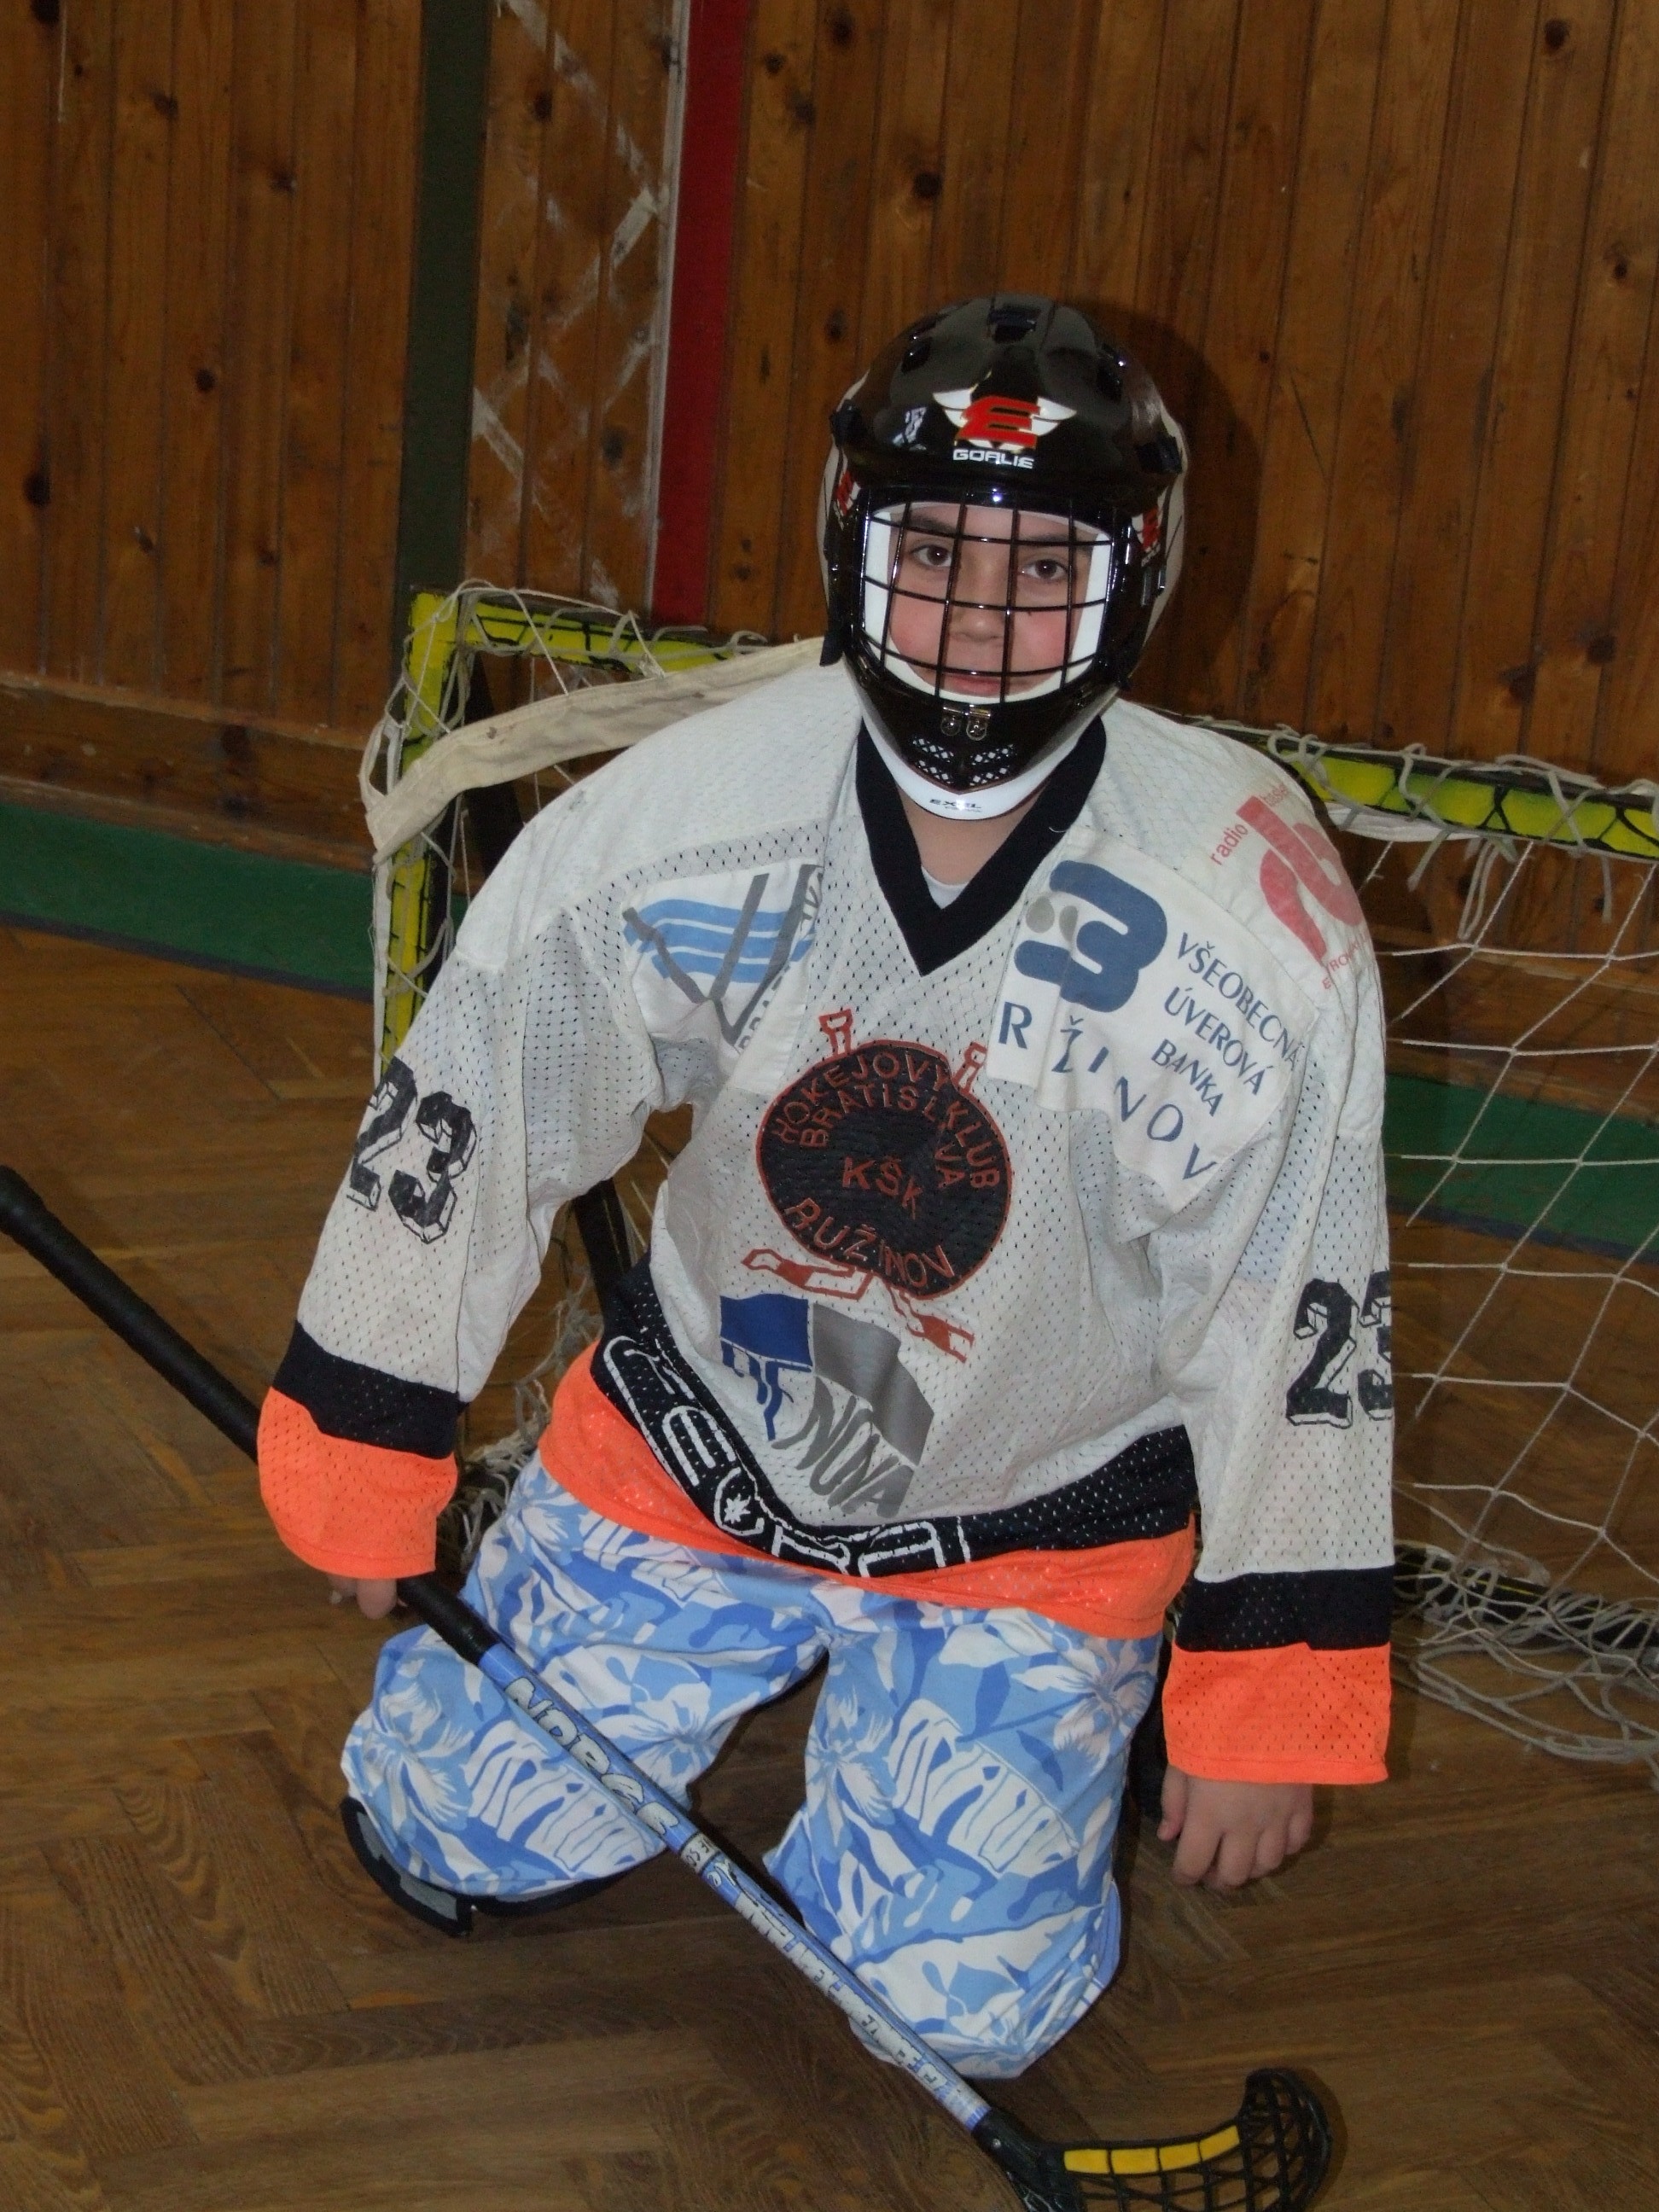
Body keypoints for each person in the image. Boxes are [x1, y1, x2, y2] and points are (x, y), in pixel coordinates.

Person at [259, 295, 1393, 2080]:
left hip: (1034, 1522)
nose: (977, 618)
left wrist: (1265, 1692)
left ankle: (1016, 1721)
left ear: (1137, 577)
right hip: (700, 1445)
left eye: (1043, 567)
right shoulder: (696, 811)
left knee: (951, 2014)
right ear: (851, 542)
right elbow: (484, 1093)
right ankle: (715, 1653)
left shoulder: (1241, 912)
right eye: (934, 552)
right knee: (439, 1821)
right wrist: (368, 1442)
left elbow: (1295, 1309)